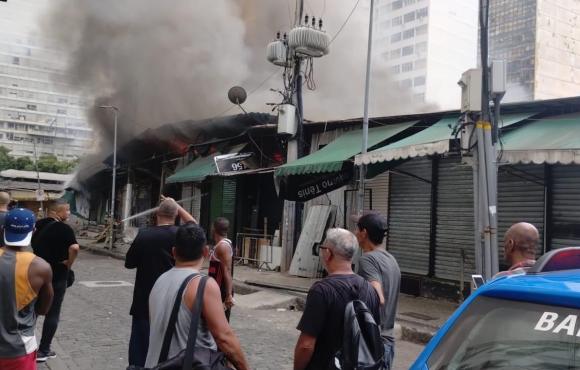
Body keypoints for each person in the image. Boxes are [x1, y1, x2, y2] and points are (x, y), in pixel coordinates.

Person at [145, 223, 249, 370]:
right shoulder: (203, 284)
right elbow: (224, 338)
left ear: (174, 252)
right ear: (206, 252)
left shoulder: (159, 281)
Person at [294, 228, 381, 370]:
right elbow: (374, 335)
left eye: (322, 248)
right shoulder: (370, 289)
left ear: (328, 253)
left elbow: (306, 345)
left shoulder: (321, 290)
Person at [125, 197, 195, 367]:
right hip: (173, 300)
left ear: (157, 214)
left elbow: (129, 263)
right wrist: (177, 205)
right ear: (176, 214)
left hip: (145, 301)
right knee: (170, 348)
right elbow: (194, 225)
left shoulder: (144, 235)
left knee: (140, 349)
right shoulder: (180, 235)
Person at [0, 208, 53, 370]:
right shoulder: (41, 267)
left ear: (3, 229)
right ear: (34, 231)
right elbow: (44, 309)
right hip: (20, 348)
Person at [31, 199, 80, 363]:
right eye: (67, 210)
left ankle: (28, 345)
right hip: (57, 275)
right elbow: (74, 248)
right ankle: (44, 350)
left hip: (37, 273)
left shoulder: (37, 225)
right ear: (57, 212)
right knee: (53, 312)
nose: (69, 213)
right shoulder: (64, 229)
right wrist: (69, 263)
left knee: (34, 310)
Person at [355, 212, 401, 370]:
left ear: (364, 233)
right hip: (387, 342)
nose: (355, 234)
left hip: (372, 346)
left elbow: (378, 297)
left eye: (357, 229)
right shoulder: (391, 259)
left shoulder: (367, 259)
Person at [208, 217, 235, 320]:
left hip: (221, 291)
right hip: (217, 290)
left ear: (214, 229)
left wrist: (228, 295)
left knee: (220, 322)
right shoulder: (221, 245)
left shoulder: (222, 247)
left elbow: (227, 271)